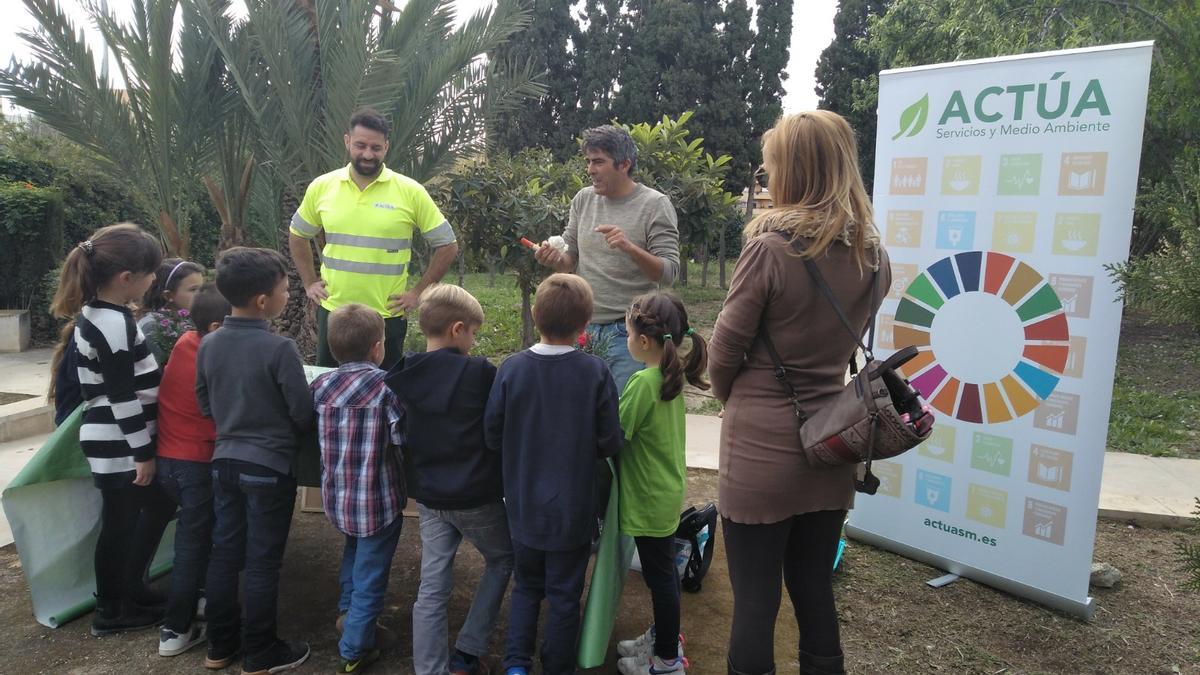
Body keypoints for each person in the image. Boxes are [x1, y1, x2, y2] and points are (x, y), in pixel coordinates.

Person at [708, 111, 890, 675]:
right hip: (834, 442)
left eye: (770, 170)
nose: (766, 180)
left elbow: (723, 354)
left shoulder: (771, 249)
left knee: (756, 601)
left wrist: (731, 397)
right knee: (813, 586)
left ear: (795, 171)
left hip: (761, 448)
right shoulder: (872, 257)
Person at [484, 274, 623, 675]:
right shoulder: (595, 373)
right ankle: (558, 666)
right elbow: (609, 441)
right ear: (586, 323)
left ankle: (515, 664)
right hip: (574, 511)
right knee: (564, 593)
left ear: (534, 313)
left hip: (522, 506)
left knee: (526, 586)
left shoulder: (510, 369)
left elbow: (492, 435)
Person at [48, 223, 176, 636]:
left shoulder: (104, 313)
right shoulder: (112, 324)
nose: (154, 279)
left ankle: (129, 590)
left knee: (152, 508)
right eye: (151, 273)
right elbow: (121, 395)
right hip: (119, 442)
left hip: (116, 439)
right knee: (120, 524)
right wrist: (142, 453)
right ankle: (112, 609)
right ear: (127, 279)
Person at [197, 247, 315, 673]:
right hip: (269, 467)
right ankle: (261, 651)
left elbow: (204, 403)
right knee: (264, 560)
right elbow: (302, 412)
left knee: (225, 554)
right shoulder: (279, 349)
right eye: (285, 288)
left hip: (224, 462)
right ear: (263, 301)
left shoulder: (208, 343)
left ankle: (220, 646)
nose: (288, 294)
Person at [387, 284, 514, 675]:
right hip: (476, 495)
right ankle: (467, 654)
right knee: (503, 558)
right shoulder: (478, 373)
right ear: (458, 329)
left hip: (429, 496)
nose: (474, 341)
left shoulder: (403, 374)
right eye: (474, 332)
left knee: (433, 585)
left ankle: (430, 669)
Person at [289, 107, 460, 369]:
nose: (368, 154)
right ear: (347, 141)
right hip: (334, 313)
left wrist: (417, 292)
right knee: (330, 392)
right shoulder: (322, 186)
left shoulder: (410, 192)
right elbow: (298, 234)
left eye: (376, 148)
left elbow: (447, 245)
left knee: (386, 395)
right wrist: (309, 281)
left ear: (386, 147)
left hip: (386, 317)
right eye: (360, 145)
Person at [534, 125, 680, 394]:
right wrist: (554, 259)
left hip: (630, 334)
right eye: (589, 161)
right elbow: (570, 259)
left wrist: (629, 248)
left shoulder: (655, 205)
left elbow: (669, 272)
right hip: (582, 328)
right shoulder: (583, 200)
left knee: (620, 418)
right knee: (579, 411)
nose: (590, 169)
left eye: (598, 161)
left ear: (624, 164)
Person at [614, 293, 709, 675]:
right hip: (664, 493)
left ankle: (667, 660)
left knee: (661, 579)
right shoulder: (669, 377)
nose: (625, 340)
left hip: (647, 497)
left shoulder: (642, 382)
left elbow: (614, 436)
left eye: (626, 333)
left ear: (643, 340)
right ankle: (664, 639)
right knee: (664, 573)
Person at [310, 303, 406, 673]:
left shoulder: (321, 385)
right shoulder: (386, 388)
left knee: (353, 554)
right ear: (378, 347)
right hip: (378, 502)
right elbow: (400, 436)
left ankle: (347, 614)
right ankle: (354, 649)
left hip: (340, 499)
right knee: (371, 574)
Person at [155, 284, 231, 657]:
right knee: (192, 544)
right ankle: (175, 629)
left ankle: (200, 601)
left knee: (198, 536)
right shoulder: (214, 356)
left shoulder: (186, 341)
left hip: (168, 460)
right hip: (195, 463)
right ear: (217, 327)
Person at [138, 257, 205, 364]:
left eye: (202, 289)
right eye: (193, 290)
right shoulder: (151, 326)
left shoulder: (195, 319)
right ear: (168, 295)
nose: (201, 294)